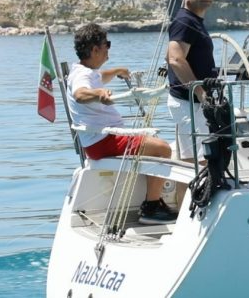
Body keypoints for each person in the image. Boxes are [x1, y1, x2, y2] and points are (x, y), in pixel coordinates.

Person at [67, 23, 177, 225]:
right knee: (163, 149)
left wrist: (117, 70)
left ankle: (153, 202)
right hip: (103, 141)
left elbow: (100, 77)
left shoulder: (84, 70)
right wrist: (98, 93)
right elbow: (80, 94)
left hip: (100, 139)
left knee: (153, 144)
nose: (109, 48)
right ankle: (152, 208)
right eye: (107, 44)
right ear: (95, 49)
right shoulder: (82, 76)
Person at [166, 0, 216, 161]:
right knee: (200, 159)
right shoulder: (185, 21)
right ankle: (200, 189)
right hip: (190, 103)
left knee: (193, 158)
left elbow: (170, 54)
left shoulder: (191, 21)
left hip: (191, 102)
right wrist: (201, 93)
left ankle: (188, 190)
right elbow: (176, 60)